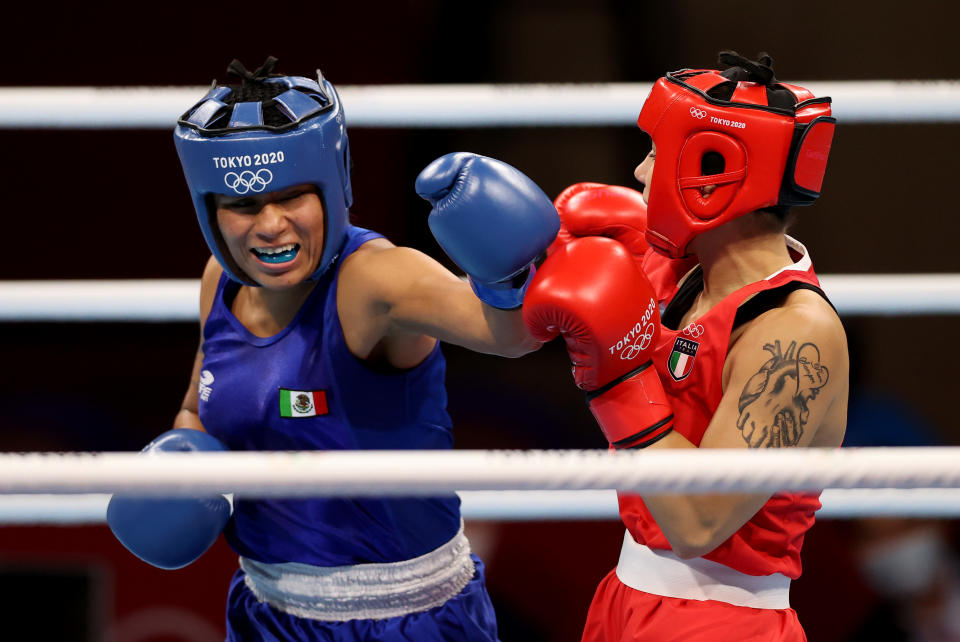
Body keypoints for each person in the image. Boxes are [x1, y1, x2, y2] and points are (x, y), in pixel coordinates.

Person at [105, 57, 559, 641]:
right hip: (266, 610)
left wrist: (508, 270)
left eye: (292, 197)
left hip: (407, 619)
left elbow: (513, 335)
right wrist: (184, 467)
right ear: (211, 212)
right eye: (243, 205)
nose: (269, 225)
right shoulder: (219, 281)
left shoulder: (375, 279)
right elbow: (199, 405)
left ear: (331, 187)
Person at [523, 51, 849, 640]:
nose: (641, 172)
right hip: (624, 595)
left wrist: (616, 383)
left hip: (721, 622)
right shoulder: (671, 272)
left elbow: (699, 520)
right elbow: (521, 331)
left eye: (657, 153)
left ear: (713, 170)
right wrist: (507, 262)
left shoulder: (795, 333)